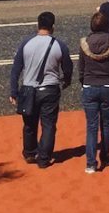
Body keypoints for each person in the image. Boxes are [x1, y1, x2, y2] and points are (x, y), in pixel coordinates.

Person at [8, 11, 73, 169]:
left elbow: (16, 69)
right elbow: (68, 67)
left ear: (38, 25)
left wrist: (13, 92)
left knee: (29, 123)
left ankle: (30, 153)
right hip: (50, 90)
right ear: (53, 27)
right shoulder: (59, 45)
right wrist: (66, 81)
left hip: (29, 90)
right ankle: (44, 158)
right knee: (49, 124)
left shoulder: (26, 43)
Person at [79, 10, 109, 173]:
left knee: (91, 127)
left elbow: (81, 68)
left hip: (90, 87)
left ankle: (91, 164)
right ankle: (105, 156)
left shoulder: (85, 43)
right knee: (106, 124)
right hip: (108, 87)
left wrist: (83, 83)